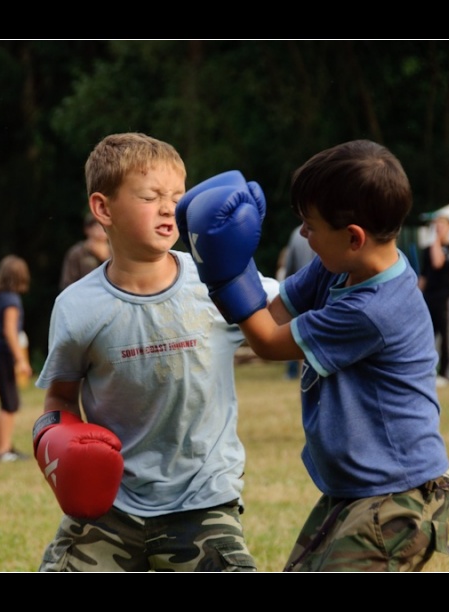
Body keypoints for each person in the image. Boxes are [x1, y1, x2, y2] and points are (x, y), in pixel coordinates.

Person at [179, 140, 449, 572]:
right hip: (356, 490)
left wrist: (227, 272)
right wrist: (225, 265)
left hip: (399, 496)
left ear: (353, 237)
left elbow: (268, 342)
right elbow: (272, 315)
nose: (303, 235)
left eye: (310, 226)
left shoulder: (374, 309)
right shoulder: (340, 266)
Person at [32, 132, 278, 572]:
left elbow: (290, 314)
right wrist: (59, 443)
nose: (169, 207)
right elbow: (60, 399)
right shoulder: (77, 307)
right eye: (150, 196)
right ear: (103, 208)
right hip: (111, 505)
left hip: (202, 500)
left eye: (178, 197)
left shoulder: (217, 282)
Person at [0, 255, 33, 462]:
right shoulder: (11, 300)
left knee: (9, 402)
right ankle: (3, 451)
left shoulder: (0, 296)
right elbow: (10, 331)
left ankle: (5, 447)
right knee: (9, 404)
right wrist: (21, 359)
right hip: (3, 354)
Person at [418, 213, 449, 387]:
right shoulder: (426, 251)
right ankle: (428, 372)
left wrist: (436, 241)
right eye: (436, 226)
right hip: (429, 298)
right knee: (426, 336)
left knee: (448, 337)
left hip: (447, 299)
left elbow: (438, 263)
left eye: (441, 226)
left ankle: (447, 373)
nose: (438, 229)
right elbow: (424, 276)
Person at [281, 226, 315, 379]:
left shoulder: (296, 234)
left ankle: (300, 375)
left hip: (302, 293)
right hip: (324, 293)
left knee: (301, 334)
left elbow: (289, 268)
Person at [58, 212, 110, 290]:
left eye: (104, 226)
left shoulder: (116, 252)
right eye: (97, 226)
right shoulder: (77, 253)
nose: (101, 230)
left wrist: (105, 258)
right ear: (87, 229)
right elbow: (67, 283)